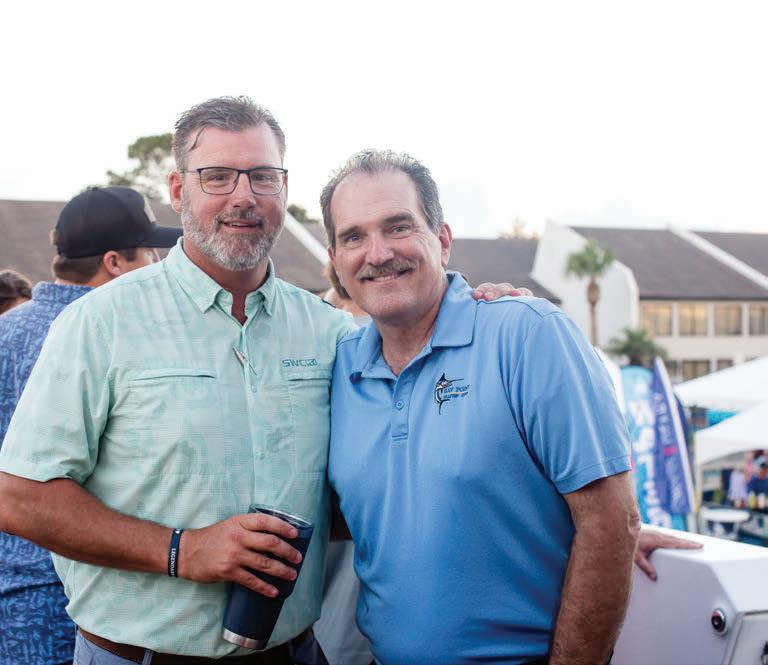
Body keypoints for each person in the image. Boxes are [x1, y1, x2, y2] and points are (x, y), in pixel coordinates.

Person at [322, 149, 641, 665]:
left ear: (443, 240)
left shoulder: (527, 335)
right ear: (336, 260)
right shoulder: (340, 367)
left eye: (398, 227)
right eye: (353, 237)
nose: (377, 253)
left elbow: (610, 518)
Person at [0, 186, 180, 665]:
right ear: (115, 262)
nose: (159, 264)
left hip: (14, 603)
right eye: (150, 253)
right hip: (95, 602)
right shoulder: (115, 338)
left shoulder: (5, 331)